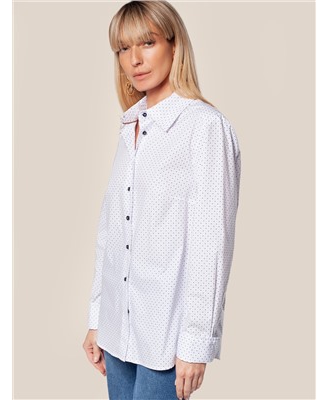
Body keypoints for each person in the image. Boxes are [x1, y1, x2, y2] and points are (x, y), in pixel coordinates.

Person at [82, 1, 241, 399]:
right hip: (118, 331)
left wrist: (196, 342)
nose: (134, 59)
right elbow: (111, 234)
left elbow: (211, 244)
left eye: (147, 43)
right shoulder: (131, 126)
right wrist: (98, 317)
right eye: (123, 48)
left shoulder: (204, 128)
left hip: (165, 338)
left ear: (174, 44)